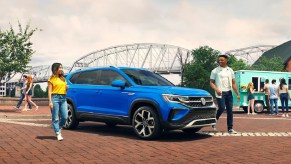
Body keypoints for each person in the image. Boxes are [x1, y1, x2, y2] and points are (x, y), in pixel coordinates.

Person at [210, 54, 240, 134]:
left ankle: (230, 128)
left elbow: (233, 83)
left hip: (229, 92)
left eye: (222, 60)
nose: (220, 61)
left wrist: (237, 93)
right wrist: (216, 89)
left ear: (226, 60)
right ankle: (214, 120)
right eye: (219, 60)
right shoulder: (215, 71)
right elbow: (211, 83)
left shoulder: (230, 70)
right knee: (222, 108)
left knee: (230, 110)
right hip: (220, 92)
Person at [48, 63, 68, 141]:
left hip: (63, 98)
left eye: (61, 67)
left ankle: (58, 128)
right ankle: (57, 133)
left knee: (65, 116)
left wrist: (66, 88)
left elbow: (64, 88)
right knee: (55, 117)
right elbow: (49, 91)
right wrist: (50, 102)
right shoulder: (51, 79)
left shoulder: (63, 78)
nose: (61, 69)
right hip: (55, 98)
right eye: (60, 67)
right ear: (55, 69)